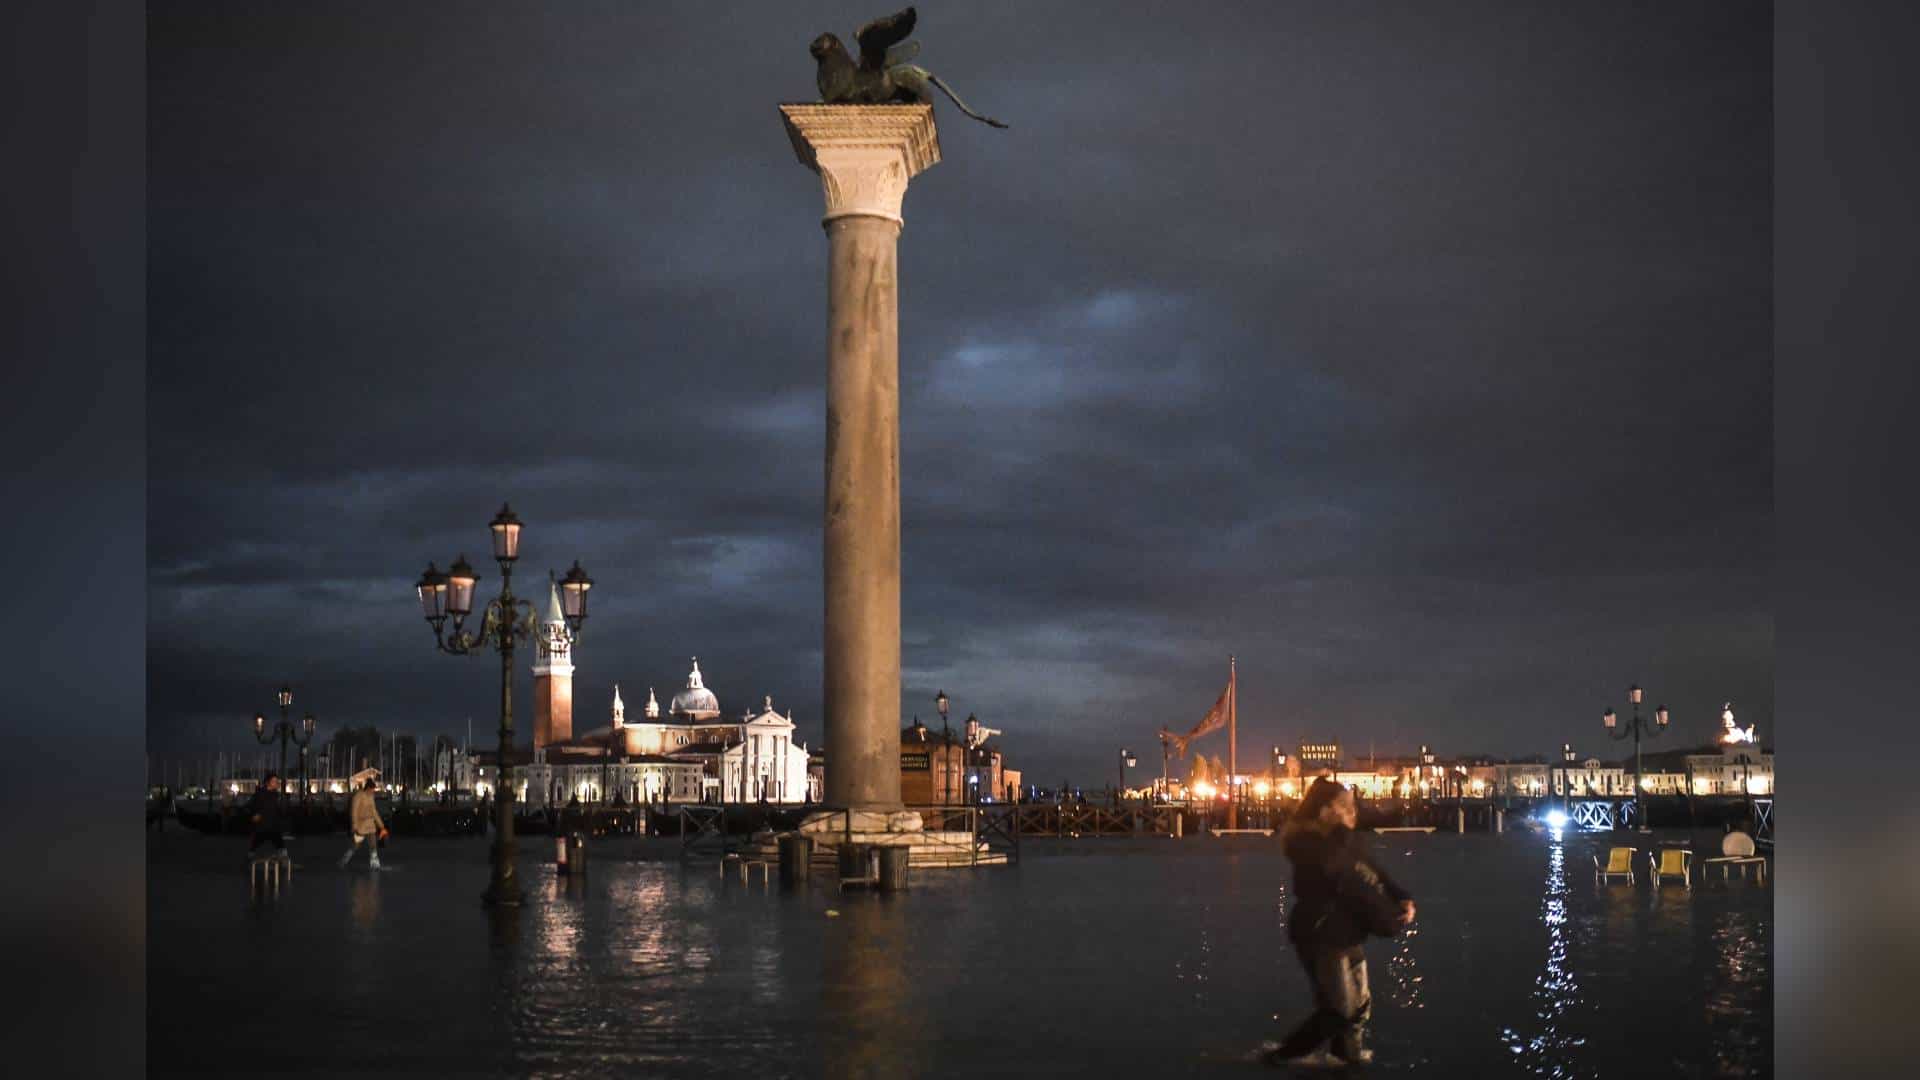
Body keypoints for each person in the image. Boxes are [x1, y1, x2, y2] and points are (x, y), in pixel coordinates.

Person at [1267, 777, 1416, 1067]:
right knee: (1337, 1009)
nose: (1352, 810)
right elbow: (1337, 871)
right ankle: (1281, 1057)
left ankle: (1346, 1059)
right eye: (1343, 805)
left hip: (1349, 930)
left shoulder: (1345, 839)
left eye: (1351, 804)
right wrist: (1388, 919)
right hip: (1320, 933)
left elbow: (1370, 868)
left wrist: (1400, 896)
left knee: (1358, 1008)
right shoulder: (1305, 841)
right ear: (1324, 810)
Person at [339, 778, 388, 870]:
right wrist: (354, 826)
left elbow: (374, 811)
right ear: (368, 788)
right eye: (372, 789)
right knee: (355, 845)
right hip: (361, 826)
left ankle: (375, 864)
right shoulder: (358, 796)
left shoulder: (371, 796)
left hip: (370, 825)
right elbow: (354, 811)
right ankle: (345, 860)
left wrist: (381, 826)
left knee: (373, 844)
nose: (373, 792)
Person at [245, 773, 287, 858]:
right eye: (274, 781)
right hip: (262, 825)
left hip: (273, 826)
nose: (276, 783)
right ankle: (250, 857)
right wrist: (254, 814)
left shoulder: (276, 795)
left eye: (277, 781)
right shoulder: (260, 793)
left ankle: (283, 859)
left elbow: (278, 809)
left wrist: (282, 812)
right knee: (256, 843)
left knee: (280, 845)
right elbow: (250, 805)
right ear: (268, 782)